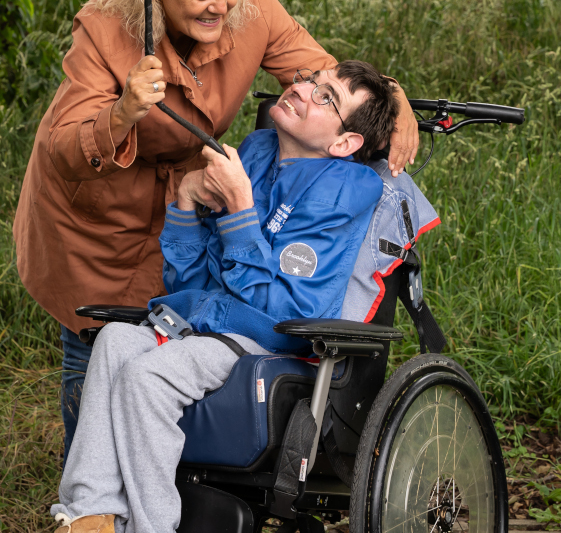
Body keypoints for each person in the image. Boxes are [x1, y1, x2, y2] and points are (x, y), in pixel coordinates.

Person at [12, 0, 419, 458]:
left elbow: (325, 78)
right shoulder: (106, 29)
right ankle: (90, 496)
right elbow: (64, 145)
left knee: (167, 360)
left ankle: (168, 490)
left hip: (193, 209)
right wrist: (122, 112)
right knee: (102, 348)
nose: (221, 5)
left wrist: (394, 98)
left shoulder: (246, 4)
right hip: (99, 216)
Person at [49, 61, 396, 533]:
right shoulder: (253, 153)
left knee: (146, 377)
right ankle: (90, 515)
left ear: (344, 144)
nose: (302, 89)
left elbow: (284, 311)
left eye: (326, 97)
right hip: (203, 322)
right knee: (113, 341)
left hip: (268, 338)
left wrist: (239, 209)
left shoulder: (341, 194)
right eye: (310, 79)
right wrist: (187, 205)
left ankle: (151, 527)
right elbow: (189, 281)